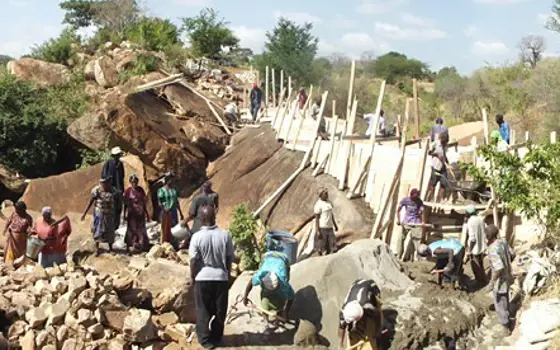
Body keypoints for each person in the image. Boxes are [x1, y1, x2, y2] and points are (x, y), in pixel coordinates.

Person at [189, 205, 233, 350]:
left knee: (202, 310)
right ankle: (216, 337)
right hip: (221, 278)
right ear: (214, 217)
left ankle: (205, 340)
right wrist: (226, 273)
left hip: (202, 278)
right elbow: (228, 258)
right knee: (220, 310)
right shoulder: (225, 235)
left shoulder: (197, 237)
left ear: (201, 219)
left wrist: (193, 276)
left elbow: (194, 260)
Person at [242, 250, 295, 322]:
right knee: (265, 295)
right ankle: (265, 319)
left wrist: (286, 312)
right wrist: (245, 296)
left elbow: (291, 297)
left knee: (281, 295)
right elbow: (251, 282)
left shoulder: (283, 281)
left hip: (283, 259)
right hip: (267, 257)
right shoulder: (261, 275)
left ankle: (280, 311)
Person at [486, 224, 515, 335]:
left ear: (488, 236)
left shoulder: (492, 249)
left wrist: (491, 283)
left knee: (499, 303)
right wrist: (507, 265)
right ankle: (508, 318)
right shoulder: (503, 242)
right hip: (508, 276)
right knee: (505, 299)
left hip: (500, 281)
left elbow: (498, 268)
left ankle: (505, 329)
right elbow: (513, 254)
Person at [338, 279, 383, 350]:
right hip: (356, 285)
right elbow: (341, 328)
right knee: (352, 331)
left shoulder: (368, 306)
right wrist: (340, 345)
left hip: (372, 288)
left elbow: (377, 316)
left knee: (371, 325)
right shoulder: (344, 312)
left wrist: (377, 332)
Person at [82, 178, 120, 256]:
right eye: (104, 183)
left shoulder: (113, 190)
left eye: (107, 183)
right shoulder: (97, 190)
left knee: (109, 230)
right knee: (97, 230)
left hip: (109, 214)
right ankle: (97, 249)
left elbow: (119, 199)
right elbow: (90, 202)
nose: (106, 184)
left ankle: (110, 248)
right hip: (99, 214)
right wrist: (84, 214)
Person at [123, 174, 150, 253]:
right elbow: (125, 204)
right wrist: (124, 214)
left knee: (141, 229)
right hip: (132, 214)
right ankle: (130, 246)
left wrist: (147, 214)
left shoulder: (141, 190)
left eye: (135, 182)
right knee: (131, 230)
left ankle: (141, 246)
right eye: (132, 182)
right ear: (130, 182)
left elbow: (143, 202)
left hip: (140, 214)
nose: (134, 183)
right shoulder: (128, 191)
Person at [396, 189, 425, 261]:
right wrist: (398, 220)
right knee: (400, 239)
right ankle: (398, 256)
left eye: (416, 197)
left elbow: (422, 212)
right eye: (413, 197)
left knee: (417, 241)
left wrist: (423, 222)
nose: (415, 199)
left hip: (416, 222)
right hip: (406, 222)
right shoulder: (405, 200)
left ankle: (418, 259)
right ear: (411, 195)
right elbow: (398, 209)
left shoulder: (419, 201)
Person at [158, 173, 184, 247]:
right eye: (170, 179)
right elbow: (159, 202)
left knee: (174, 228)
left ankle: (173, 245)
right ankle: (164, 244)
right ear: (166, 180)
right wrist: (164, 208)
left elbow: (176, 202)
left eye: (172, 179)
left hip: (173, 212)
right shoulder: (161, 190)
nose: (171, 181)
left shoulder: (173, 190)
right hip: (165, 212)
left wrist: (181, 212)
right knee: (165, 228)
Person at [463, 205, 487, 286]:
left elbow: (472, 239)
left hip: (475, 248)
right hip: (482, 245)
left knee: (475, 266)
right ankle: (483, 279)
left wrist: (469, 250)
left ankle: (479, 282)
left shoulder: (470, 222)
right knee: (481, 263)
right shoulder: (480, 218)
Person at [102, 147, 125, 228]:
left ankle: (116, 226)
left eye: (118, 155)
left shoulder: (120, 164)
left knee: (118, 208)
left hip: (119, 190)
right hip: (110, 191)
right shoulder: (108, 164)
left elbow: (122, 177)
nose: (117, 157)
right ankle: (110, 227)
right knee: (111, 209)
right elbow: (104, 177)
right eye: (116, 155)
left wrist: (121, 190)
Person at [425, 133, 452, 204]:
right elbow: (429, 153)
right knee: (433, 184)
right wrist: (436, 155)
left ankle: (440, 200)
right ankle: (432, 198)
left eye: (446, 142)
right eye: (444, 141)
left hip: (443, 167)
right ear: (441, 139)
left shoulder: (445, 145)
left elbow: (444, 155)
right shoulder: (435, 144)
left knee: (443, 183)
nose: (445, 143)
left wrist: (448, 164)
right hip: (435, 167)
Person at [314, 187, 339, 256]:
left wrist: (335, 225)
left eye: (327, 193)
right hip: (323, 227)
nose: (327, 195)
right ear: (321, 195)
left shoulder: (329, 202)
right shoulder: (318, 205)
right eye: (325, 194)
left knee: (332, 244)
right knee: (322, 244)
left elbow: (331, 214)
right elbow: (317, 219)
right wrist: (318, 230)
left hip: (330, 226)